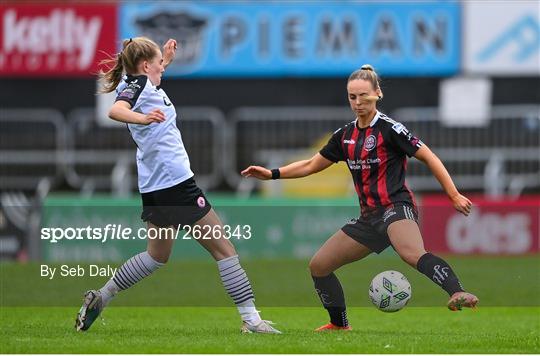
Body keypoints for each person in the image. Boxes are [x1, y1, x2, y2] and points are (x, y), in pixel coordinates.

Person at [241, 64, 479, 331]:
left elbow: (429, 156)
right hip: (369, 218)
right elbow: (310, 165)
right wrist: (272, 174)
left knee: (411, 253)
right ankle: (339, 325)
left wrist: (454, 194)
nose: (357, 102)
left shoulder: (391, 130)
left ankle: (457, 292)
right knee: (319, 265)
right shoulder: (344, 136)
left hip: (396, 207)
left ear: (377, 93)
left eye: (363, 96)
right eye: (352, 97)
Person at [75, 37, 280, 334]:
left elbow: (145, 84)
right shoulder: (139, 87)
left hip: (155, 186)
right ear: (145, 66)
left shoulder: (140, 83)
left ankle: (101, 297)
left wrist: (165, 60)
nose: (163, 68)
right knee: (225, 250)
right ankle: (251, 320)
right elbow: (116, 111)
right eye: (159, 64)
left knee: (156, 256)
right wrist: (143, 118)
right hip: (176, 185)